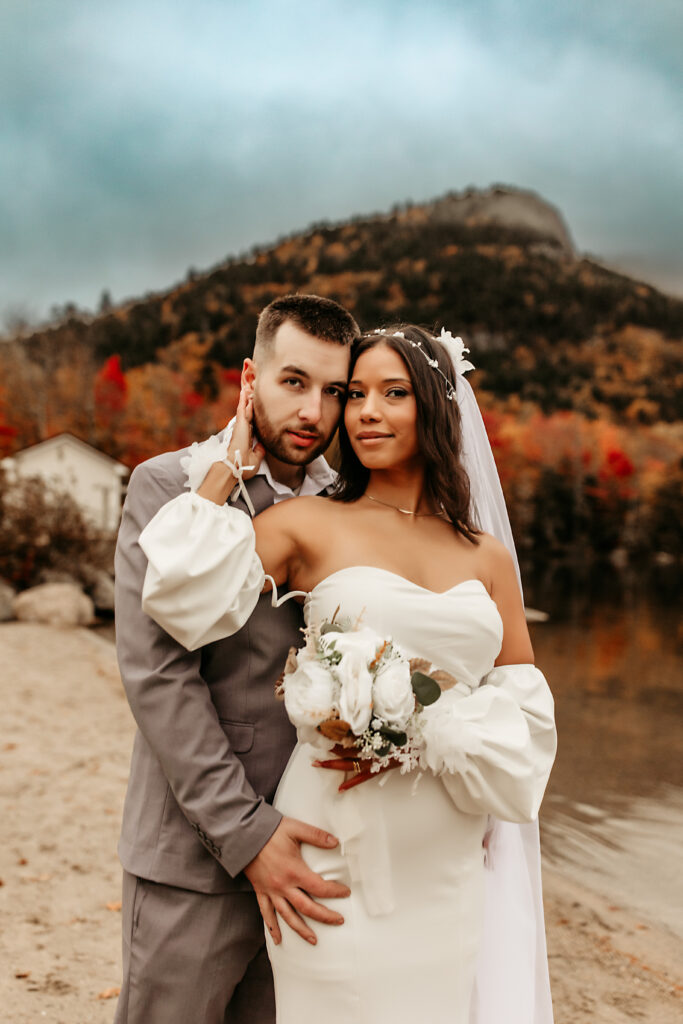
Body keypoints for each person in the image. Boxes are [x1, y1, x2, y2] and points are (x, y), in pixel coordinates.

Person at [139, 325, 557, 1024]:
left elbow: (523, 706)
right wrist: (224, 467)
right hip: (333, 840)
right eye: (353, 394)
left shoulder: (486, 555)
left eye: (392, 394)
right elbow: (182, 597)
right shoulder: (305, 523)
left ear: (435, 407)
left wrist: (430, 731)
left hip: (445, 850)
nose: (365, 412)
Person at [113, 294, 361, 1024]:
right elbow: (157, 677)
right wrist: (246, 835)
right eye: (294, 382)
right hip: (195, 859)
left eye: (334, 391)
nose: (314, 410)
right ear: (250, 377)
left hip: (315, 860)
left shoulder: (348, 508)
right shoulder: (167, 485)